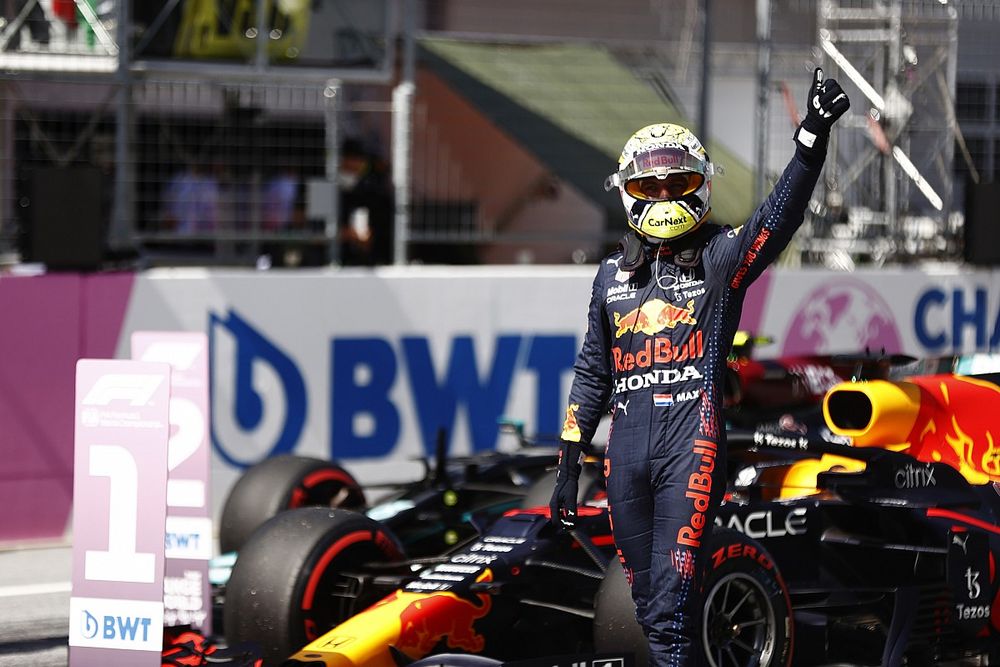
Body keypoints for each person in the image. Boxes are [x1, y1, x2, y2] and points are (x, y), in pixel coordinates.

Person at [549, 68, 849, 665]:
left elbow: (777, 219)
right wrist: (567, 464)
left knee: (671, 610)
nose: (664, 196)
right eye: (650, 185)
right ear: (628, 190)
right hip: (625, 455)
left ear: (702, 185)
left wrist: (811, 140)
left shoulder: (720, 258)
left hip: (692, 445)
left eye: (677, 182)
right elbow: (591, 375)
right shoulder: (609, 276)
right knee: (650, 610)